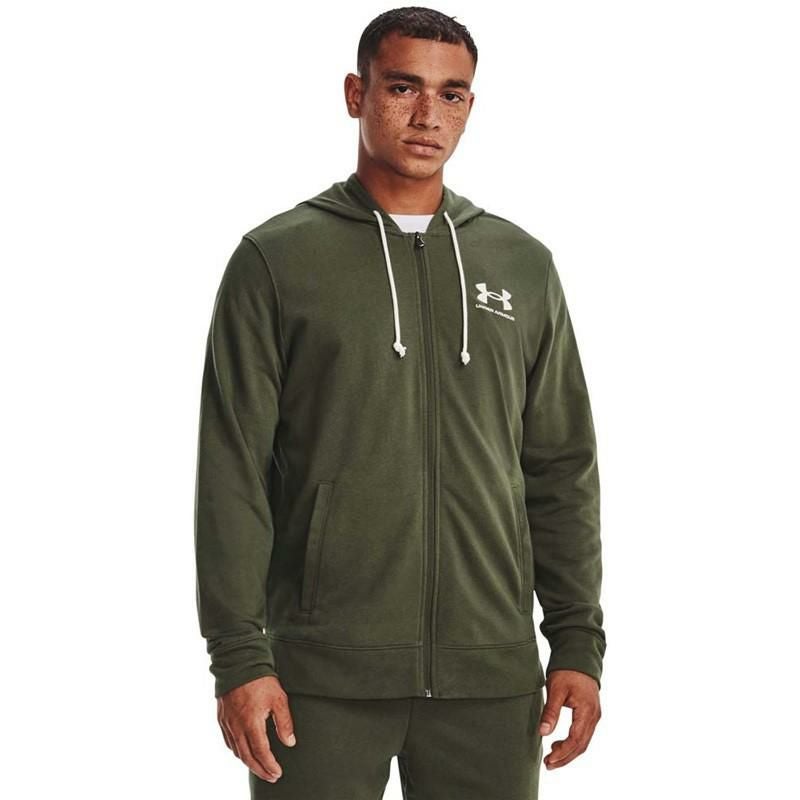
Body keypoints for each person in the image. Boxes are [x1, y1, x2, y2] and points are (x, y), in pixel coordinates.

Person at [193, 6, 606, 798]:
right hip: (318, 679)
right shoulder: (277, 261)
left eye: (452, 95)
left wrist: (578, 644)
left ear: (471, 106)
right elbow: (233, 473)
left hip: (490, 679)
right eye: (403, 87)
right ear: (357, 93)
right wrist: (240, 659)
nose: (427, 116)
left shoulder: (521, 265)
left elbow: (561, 468)